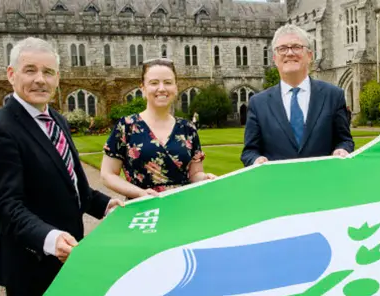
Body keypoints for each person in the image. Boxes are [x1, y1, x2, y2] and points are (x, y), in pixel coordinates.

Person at [0, 37, 124, 296]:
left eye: (48, 72)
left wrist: (106, 205)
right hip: (30, 264)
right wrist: (51, 239)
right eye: (30, 70)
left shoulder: (56, 120)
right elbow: (6, 207)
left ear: (57, 78)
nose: (40, 80)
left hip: (69, 258)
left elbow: (75, 187)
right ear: (11, 74)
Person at [240, 24, 354, 167]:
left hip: (323, 178)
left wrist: (342, 149)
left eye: (296, 47)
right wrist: (256, 160)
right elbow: (249, 151)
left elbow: (345, 140)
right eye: (282, 48)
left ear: (309, 56)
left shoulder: (333, 95)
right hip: (278, 180)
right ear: (274, 58)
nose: (289, 53)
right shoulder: (258, 103)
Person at [101, 58, 216, 199]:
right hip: (143, 207)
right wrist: (140, 193)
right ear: (143, 88)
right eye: (154, 83)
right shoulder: (126, 126)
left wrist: (204, 178)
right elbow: (107, 175)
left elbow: (194, 174)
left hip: (183, 206)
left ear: (176, 87)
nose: (161, 88)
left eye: (168, 82)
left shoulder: (188, 128)